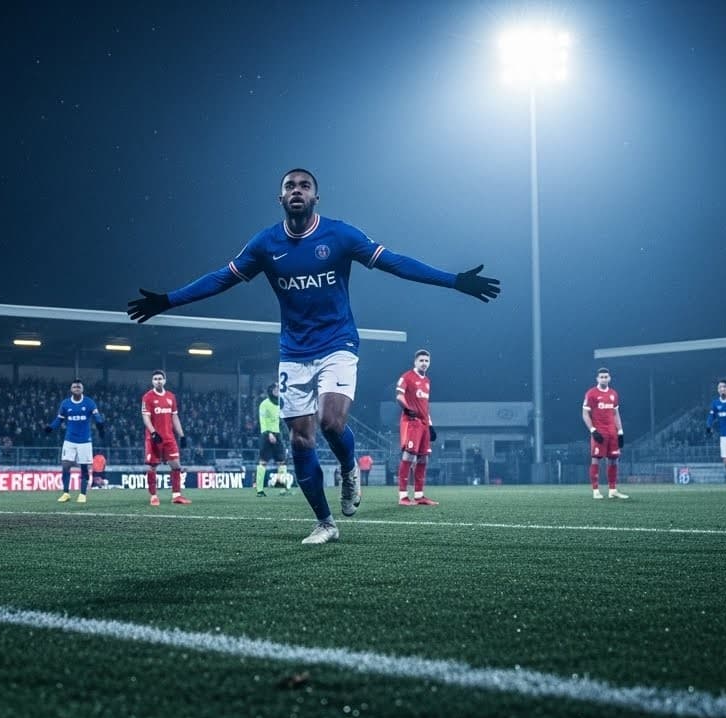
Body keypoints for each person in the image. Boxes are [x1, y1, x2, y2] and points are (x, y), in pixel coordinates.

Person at [127, 168, 500, 544]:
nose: (297, 191)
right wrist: (167, 301)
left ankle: (348, 466)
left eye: (304, 186)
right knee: (301, 441)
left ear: (315, 198)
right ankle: (325, 522)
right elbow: (221, 277)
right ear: (280, 198)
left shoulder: (339, 235)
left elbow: (396, 263)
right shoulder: (265, 244)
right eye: (290, 186)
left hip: (338, 344)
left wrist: (453, 281)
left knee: (331, 423)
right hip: (293, 352)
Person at [45, 379, 105, 503]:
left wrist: (100, 424)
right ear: (71, 389)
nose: (76, 388)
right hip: (70, 440)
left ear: (82, 389)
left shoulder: (89, 402)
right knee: (65, 466)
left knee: (84, 468)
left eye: (79, 387)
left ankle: (82, 494)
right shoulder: (66, 404)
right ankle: (66, 493)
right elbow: (59, 419)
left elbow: (97, 416)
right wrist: (51, 427)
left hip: (85, 441)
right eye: (74, 387)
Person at [396, 349, 440, 506]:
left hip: (424, 424)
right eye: (421, 360)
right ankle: (403, 496)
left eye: (427, 361)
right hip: (411, 422)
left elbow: (425, 407)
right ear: (415, 362)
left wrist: (431, 425)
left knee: (423, 457)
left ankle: (420, 495)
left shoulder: (427, 381)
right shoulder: (407, 377)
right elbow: (399, 396)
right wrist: (407, 409)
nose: (424, 363)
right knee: (409, 456)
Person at [140, 370, 189, 506]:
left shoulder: (170, 397)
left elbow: (174, 417)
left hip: (169, 438)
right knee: (152, 467)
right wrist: (153, 432)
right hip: (153, 439)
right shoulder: (148, 397)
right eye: (155, 379)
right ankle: (153, 496)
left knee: (176, 466)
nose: (158, 381)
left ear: (164, 380)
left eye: (160, 378)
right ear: (152, 381)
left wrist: (182, 435)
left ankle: (176, 495)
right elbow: (146, 417)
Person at [581, 367, 628, 500]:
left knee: (614, 460)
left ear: (609, 378)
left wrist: (620, 431)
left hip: (612, 432)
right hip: (599, 431)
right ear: (597, 379)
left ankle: (612, 490)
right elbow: (585, 414)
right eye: (601, 377)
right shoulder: (591, 393)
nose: (604, 379)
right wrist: (593, 430)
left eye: (606, 377)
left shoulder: (613, 394)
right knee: (596, 458)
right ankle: (595, 491)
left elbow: (616, 414)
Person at [254, 384, 287, 497]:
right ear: (270, 391)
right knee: (263, 462)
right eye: (275, 389)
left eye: (278, 389)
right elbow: (262, 421)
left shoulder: (279, 404)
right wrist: (269, 434)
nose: (277, 391)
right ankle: (260, 490)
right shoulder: (264, 404)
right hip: (266, 435)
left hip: (278, 435)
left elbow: (280, 421)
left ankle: (282, 489)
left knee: (281, 462)